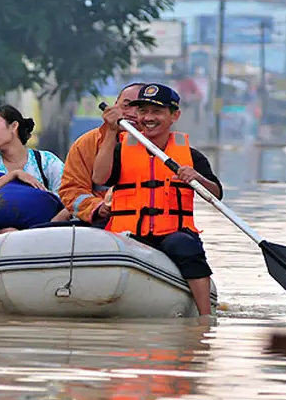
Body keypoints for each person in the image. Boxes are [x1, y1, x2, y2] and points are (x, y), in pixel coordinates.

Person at [92, 83, 223, 316]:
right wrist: (111, 132)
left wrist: (198, 178)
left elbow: (216, 194)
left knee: (184, 246)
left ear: (174, 115)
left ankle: (205, 319)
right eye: (143, 111)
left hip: (173, 232)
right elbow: (99, 177)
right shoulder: (120, 149)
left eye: (156, 112)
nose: (148, 118)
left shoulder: (191, 156)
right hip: (128, 233)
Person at [0, 105, 71, 235]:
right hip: (0, 240)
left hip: (48, 234)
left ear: (14, 126)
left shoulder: (46, 161)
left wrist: (48, 227)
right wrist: (13, 175)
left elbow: (70, 198)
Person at [58, 82, 144, 228]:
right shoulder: (86, 143)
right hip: (100, 222)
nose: (131, 113)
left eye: (140, 108)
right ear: (115, 106)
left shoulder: (159, 146)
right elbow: (71, 190)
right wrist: (98, 207)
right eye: (126, 105)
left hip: (145, 223)